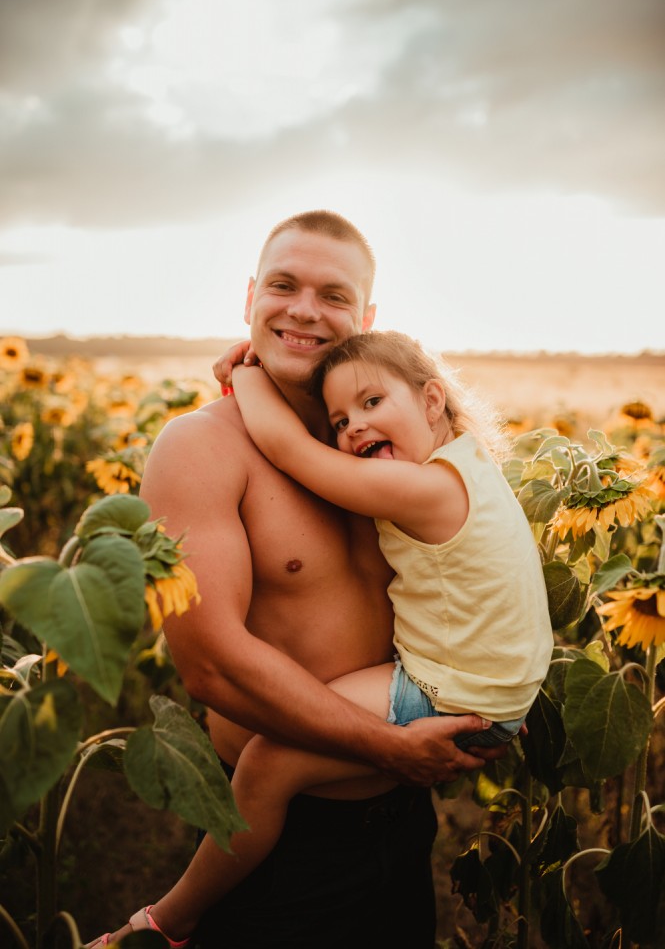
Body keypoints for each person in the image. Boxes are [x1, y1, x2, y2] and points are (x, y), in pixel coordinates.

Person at [88, 212, 511, 949]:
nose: (304, 310)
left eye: (333, 295)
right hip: (276, 842)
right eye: (282, 286)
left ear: (365, 318)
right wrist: (388, 747)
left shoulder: (388, 446)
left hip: (402, 825)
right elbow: (211, 661)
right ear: (250, 296)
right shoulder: (198, 448)